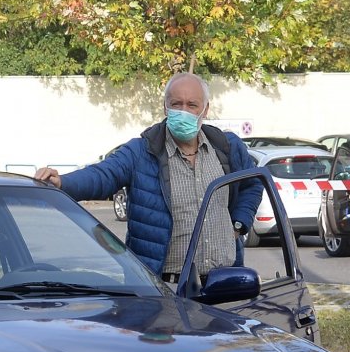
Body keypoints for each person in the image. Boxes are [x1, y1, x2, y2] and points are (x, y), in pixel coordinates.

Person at [34, 72, 258, 285]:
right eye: (176, 104)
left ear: (205, 109)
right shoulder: (142, 152)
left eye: (192, 105)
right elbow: (103, 175)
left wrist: (239, 224)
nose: (183, 111)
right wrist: (62, 182)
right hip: (166, 289)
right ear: (165, 107)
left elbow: (253, 183)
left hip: (225, 286)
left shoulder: (227, 147)